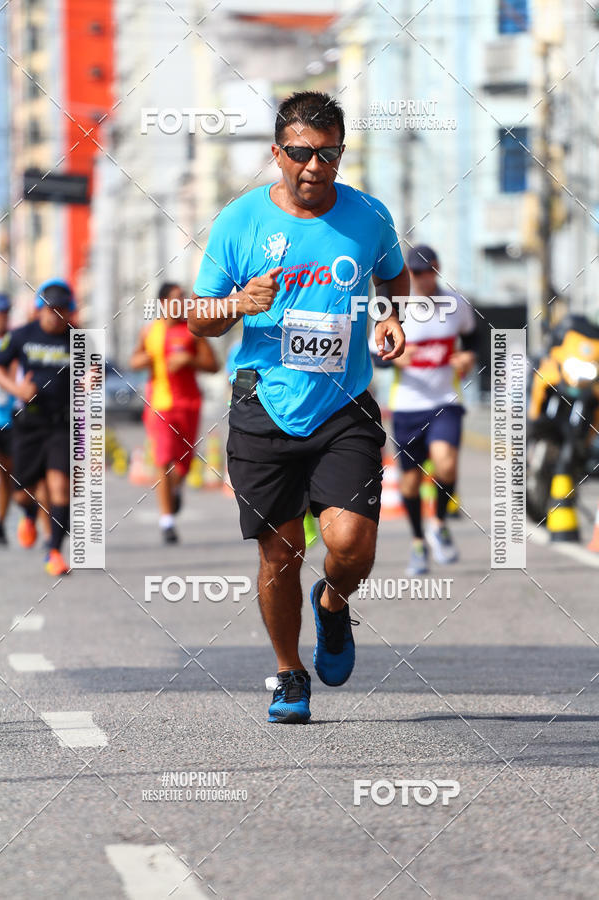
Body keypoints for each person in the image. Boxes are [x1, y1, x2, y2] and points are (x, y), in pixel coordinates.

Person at [188, 91, 408, 724]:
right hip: (264, 405)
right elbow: (199, 317)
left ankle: (334, 604)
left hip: (344, 406)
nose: (315, 166)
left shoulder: (369, 215)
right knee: (279, 554)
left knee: (352, 543)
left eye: (329, 153)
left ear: (341, 152)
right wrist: (238, 304)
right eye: (302, 153)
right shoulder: (239, 221)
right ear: (277, 153)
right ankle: (289, 674)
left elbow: (393, 274)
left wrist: (390, 314)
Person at [386, 244, 477, 575]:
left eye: (429, 271)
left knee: (446, 464)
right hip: (408, 406)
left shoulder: (456, 302)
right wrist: (394, 357)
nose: (424, 279)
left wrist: (469, 356)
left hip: (444, 402)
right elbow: (372, 356)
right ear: (409, 273)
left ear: (437, 269)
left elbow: (474, 336)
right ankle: (418, 543)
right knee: (409, 485)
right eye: (417, 273)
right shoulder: (395, 307)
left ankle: (438, 523)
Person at [130, 281, 219, 543]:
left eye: (185, 298)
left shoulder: (192, 332)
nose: (183, 303)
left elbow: (213, 364)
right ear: (163, 303)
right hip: (159, 405)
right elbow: (134, 360)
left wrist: (189, 360)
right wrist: (150, 358)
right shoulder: (150, 332)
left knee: (182, 466)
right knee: (163, 459)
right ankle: (167, 521)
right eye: (177, 298)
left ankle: (176, 490)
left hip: (189, 405)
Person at [0, 279, 74, 575]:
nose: (55, 316)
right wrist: (17, 389)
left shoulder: (79, 339)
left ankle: (54, 550)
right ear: (39, 310)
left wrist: (91, 379)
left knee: (60, 487)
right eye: (50, 310)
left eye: (62, 310)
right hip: (28, 422)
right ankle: (28, 513)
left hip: (61, 424)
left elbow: (96, 370)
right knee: (21, 490)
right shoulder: (21, 336)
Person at [0, 294, 15, 545]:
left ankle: (0, 521)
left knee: (6, 474)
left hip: (10, 417)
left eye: (5, 312)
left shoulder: (16, 340)